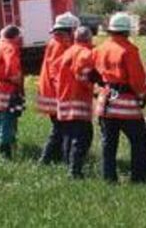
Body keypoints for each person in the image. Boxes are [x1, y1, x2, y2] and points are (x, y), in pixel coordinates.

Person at [93, 12, 146, 183]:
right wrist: (142, 95)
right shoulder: (129, 50)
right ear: (127, 31)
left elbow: (93, 73)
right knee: (139, 139)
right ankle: (139, 178)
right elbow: (137, 78)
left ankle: (108, 178)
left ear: (111, 30)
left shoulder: (99, 49)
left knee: (108, 143)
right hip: (125, 103)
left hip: (105, 101)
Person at [38, 12, 80, 164]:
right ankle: (46, 159)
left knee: (60, 128)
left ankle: (55, 157)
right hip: (55, 94)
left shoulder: (57, 42)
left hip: (51, 92)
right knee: (60, 128)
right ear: (69, 30)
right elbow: (57, 73)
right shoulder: (60, 45)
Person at [56, 27, 96, 178]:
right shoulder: (85, 54)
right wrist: (93, 87)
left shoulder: (69, 51)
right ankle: (75, 171)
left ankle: (67, 164)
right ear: (89, 38)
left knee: (68, 134)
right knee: (83, 136)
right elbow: (83, 76)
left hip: (64, 98)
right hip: (78, 100)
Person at [0, 25, 24, 159]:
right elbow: (12, 71)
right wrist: (18, 81)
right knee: (7, 120)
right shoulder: (10, 48)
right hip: (7, 89)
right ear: (15, 36)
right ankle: (5, 151)